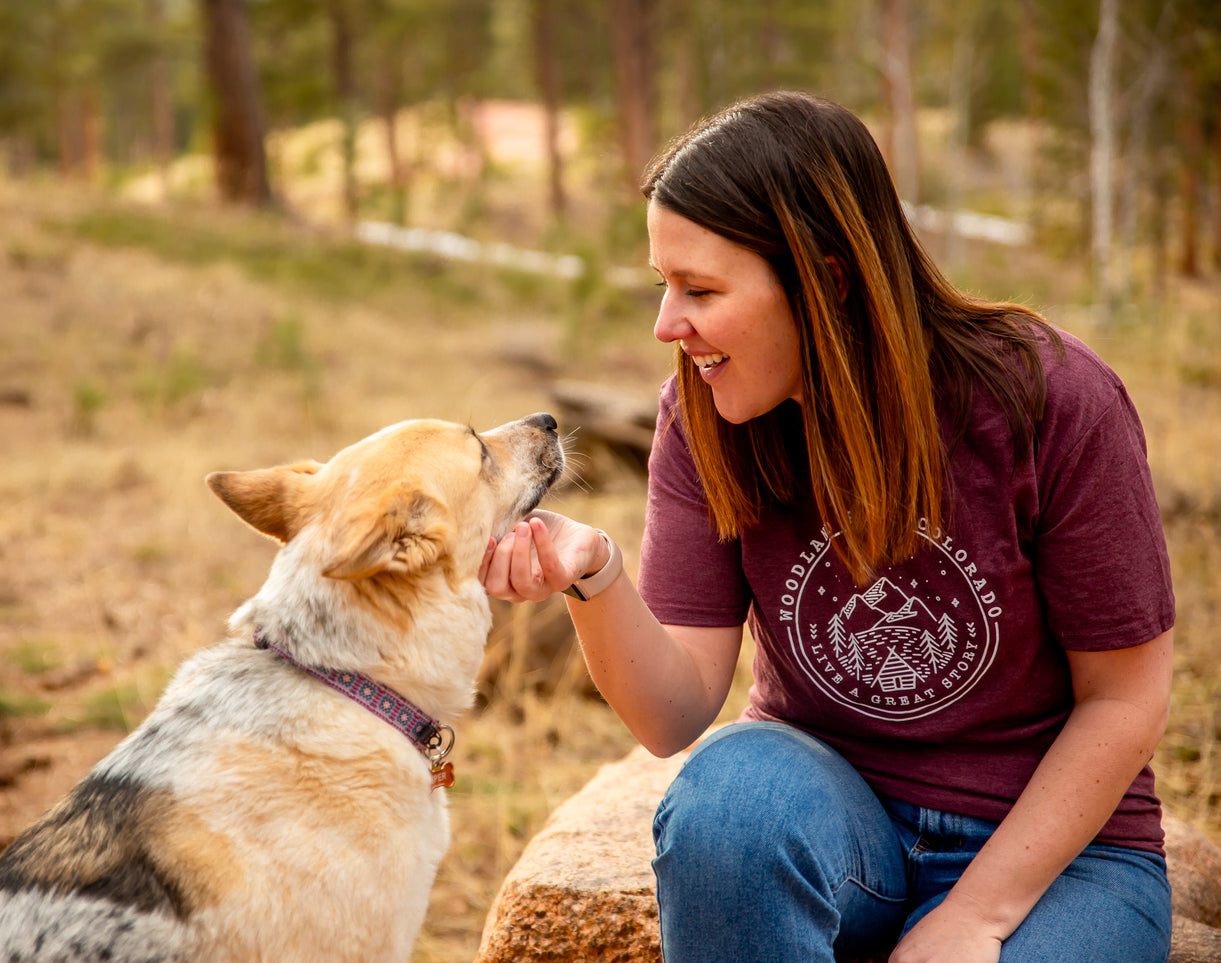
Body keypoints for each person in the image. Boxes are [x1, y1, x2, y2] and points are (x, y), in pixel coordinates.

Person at [480, 90, 1174, 963]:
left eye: (699, 289)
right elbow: (671, 713)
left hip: (1065, 860)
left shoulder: (1051, 402)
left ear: (827, 278)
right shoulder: (703, 417)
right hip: (841, 827)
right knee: (727, 798)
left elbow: (1125, 698)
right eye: (663, 285)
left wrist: (973, 918)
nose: (667, 326)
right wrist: (594, 572)